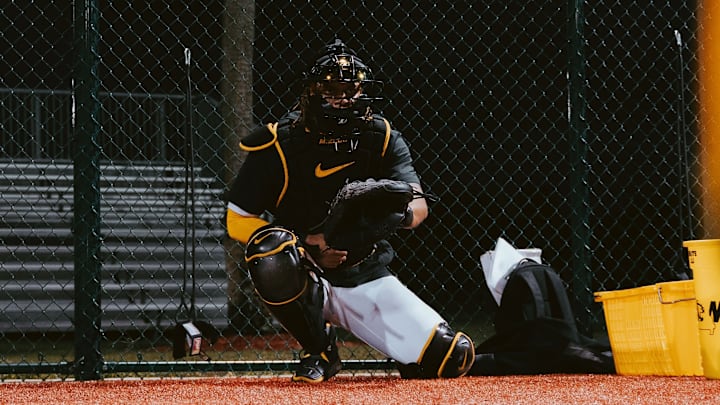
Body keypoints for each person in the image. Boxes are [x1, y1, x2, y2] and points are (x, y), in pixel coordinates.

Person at [224, 39, 475, 383]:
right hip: (303, 271)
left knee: (449, 357)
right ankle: (320, 350)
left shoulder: (381, 137)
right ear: (312, 90)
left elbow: (419, 204)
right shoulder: (279, 143)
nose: (343, 97)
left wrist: (396, 216)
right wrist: (305, 245)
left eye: (351, 88)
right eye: (332, 87)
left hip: (364, 271)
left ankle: (400, 348)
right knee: (270, 251)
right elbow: (236, 219)